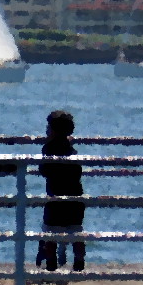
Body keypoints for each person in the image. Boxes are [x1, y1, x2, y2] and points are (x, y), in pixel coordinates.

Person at [38, 110, 85, 272]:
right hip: (75, 194)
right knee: (76, 231)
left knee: (51, 233)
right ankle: (79, 262)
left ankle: (51, 263)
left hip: (55, 194)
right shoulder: (71, 149)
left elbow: (44, 170)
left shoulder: (49, 148)